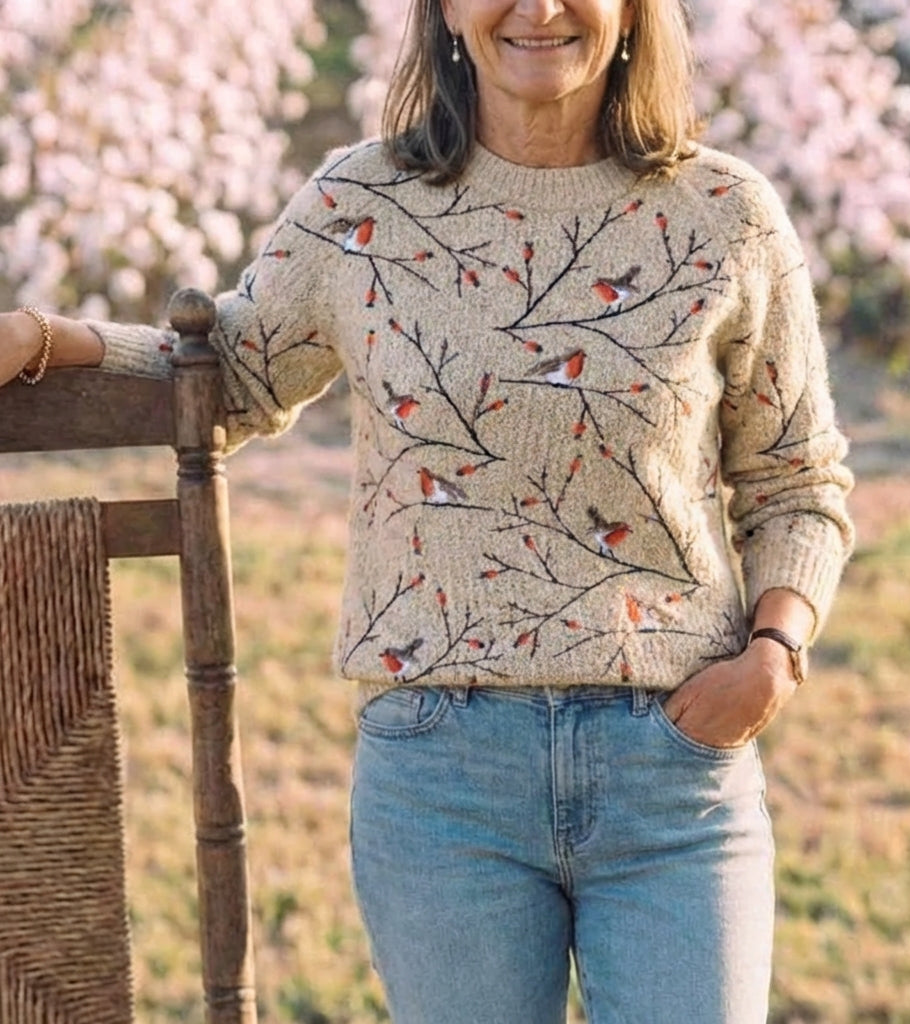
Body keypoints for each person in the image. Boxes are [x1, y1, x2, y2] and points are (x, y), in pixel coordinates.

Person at [0, 0, 855, 1020]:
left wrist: (773, 656)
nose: (537, 9)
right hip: (444, 777)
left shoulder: (724, 213)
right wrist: (52, 336)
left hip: (672, 768)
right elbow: (227, 370)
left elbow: (796, 478)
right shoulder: (364, 204)